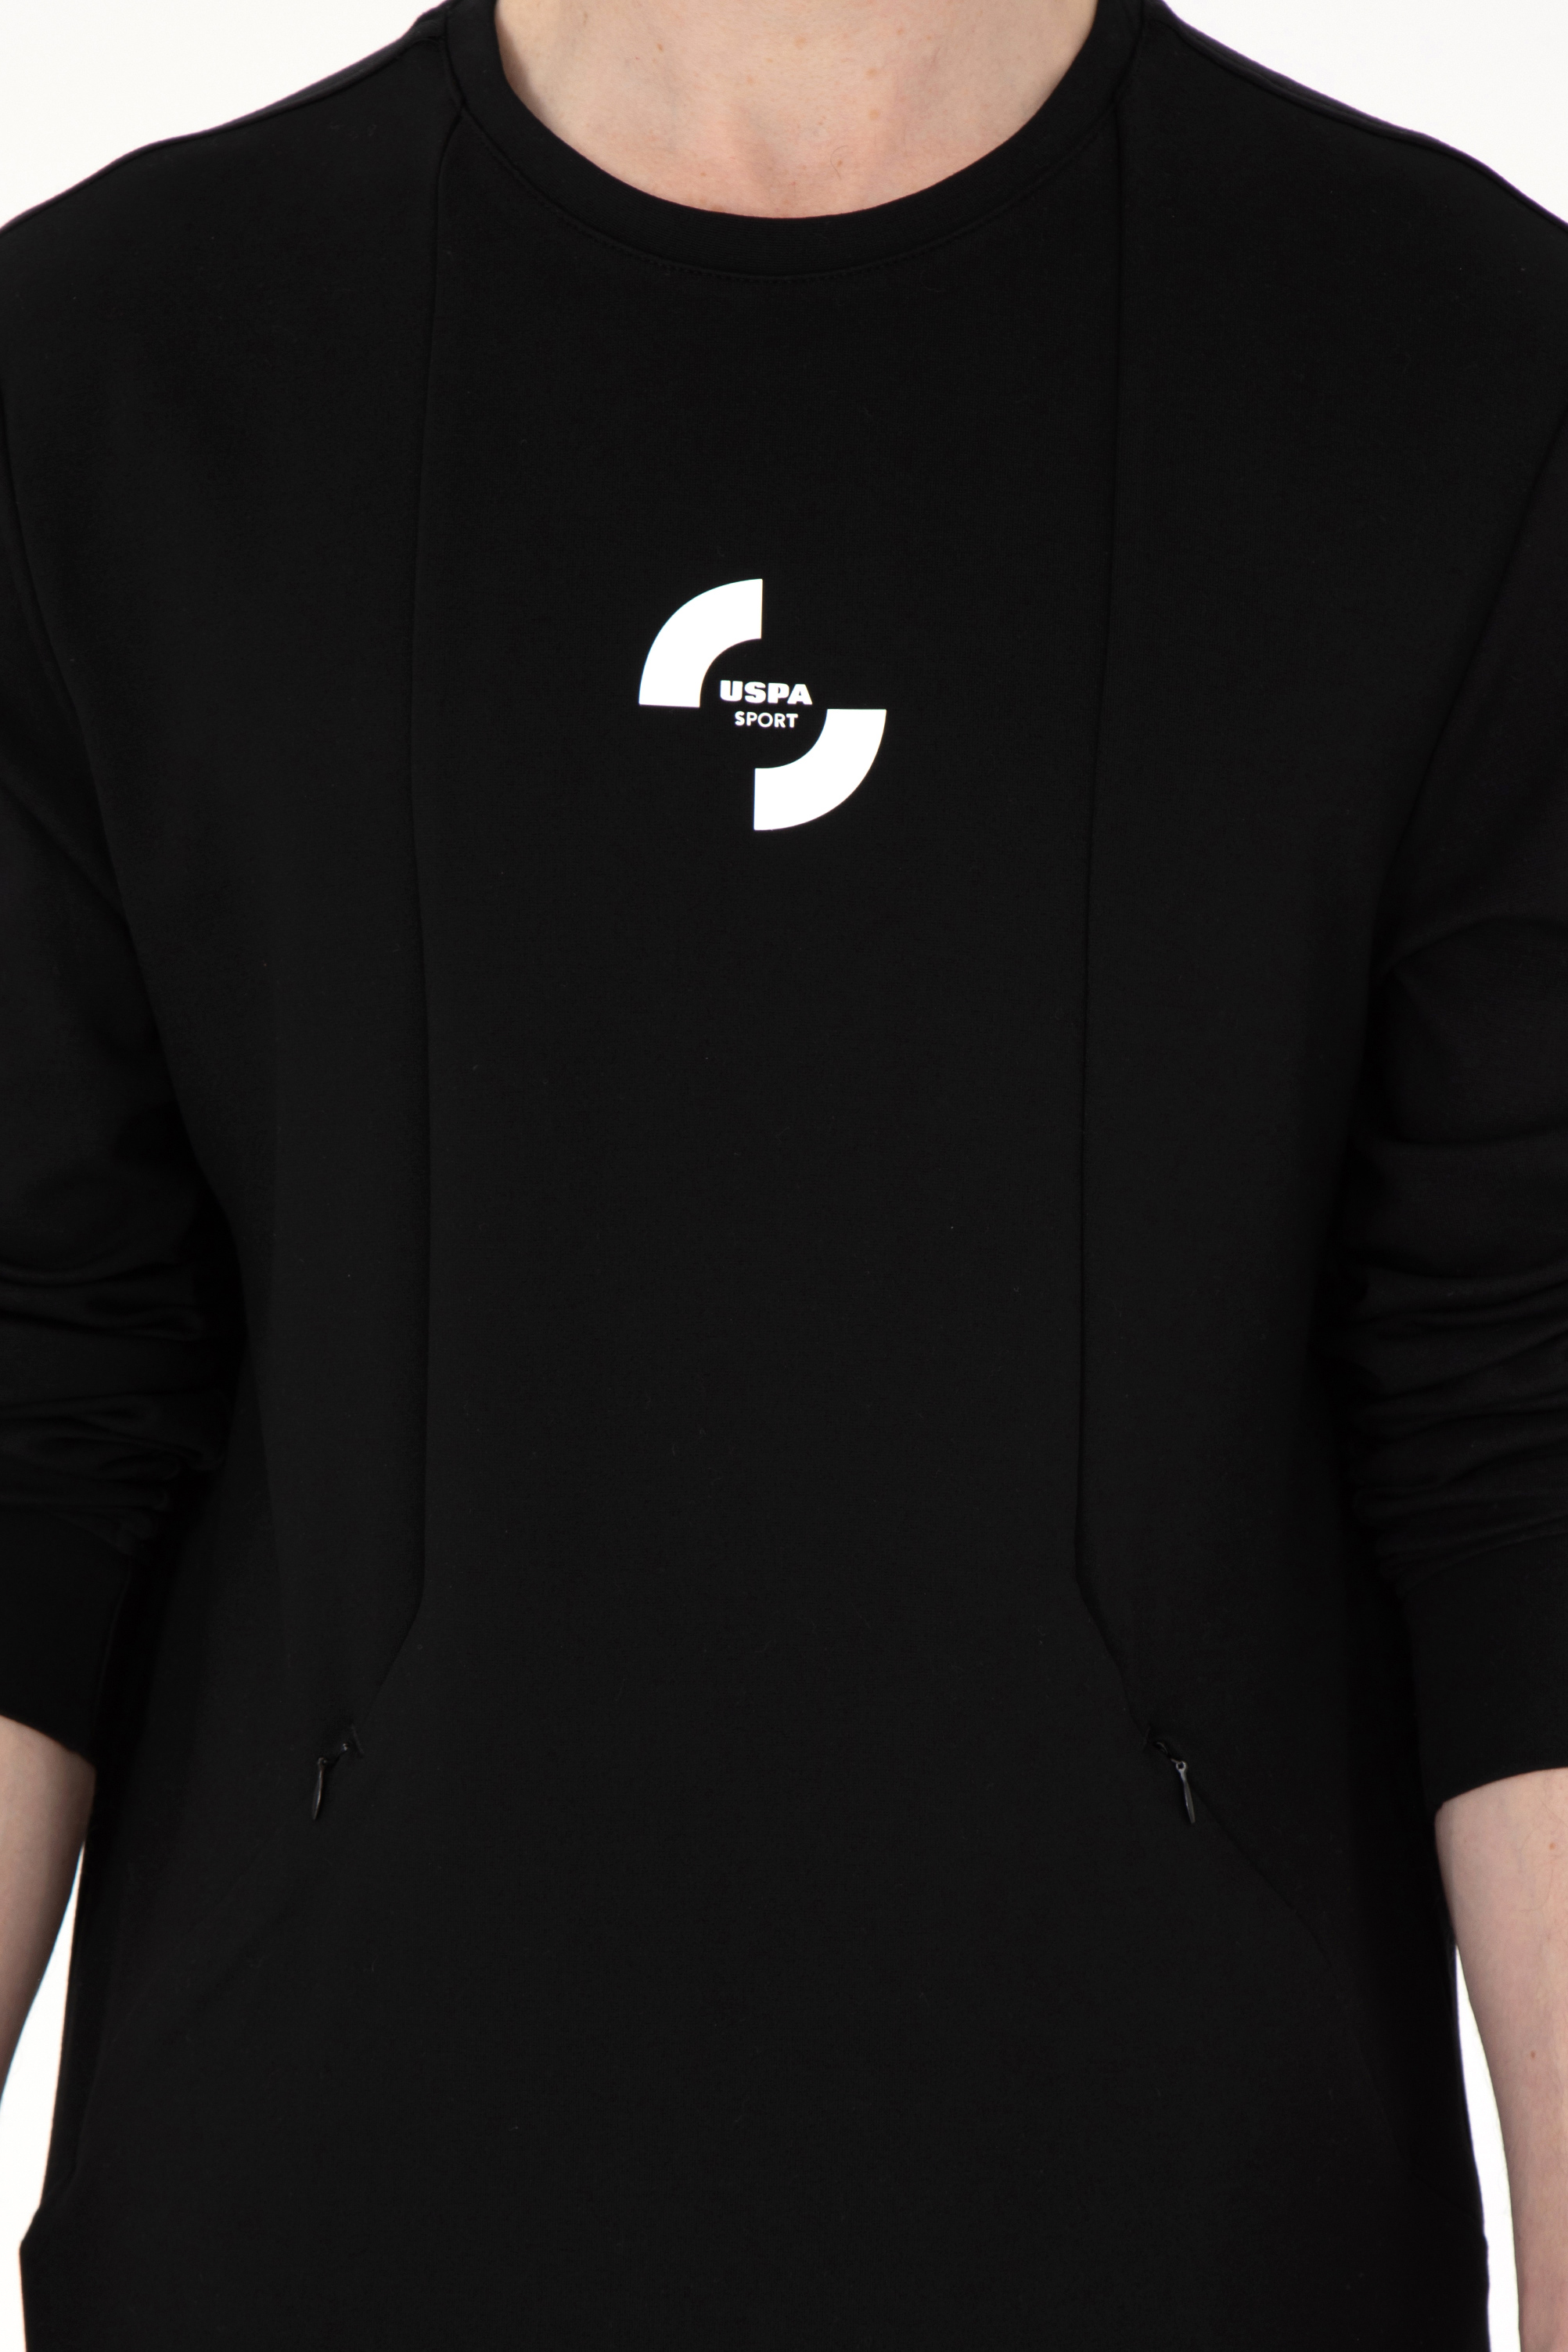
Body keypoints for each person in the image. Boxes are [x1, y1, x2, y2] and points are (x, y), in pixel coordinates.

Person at [2, 0, 1567, 2341]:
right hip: (306, 2243)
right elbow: (36, 1382)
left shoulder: (1454, 366)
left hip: (1192, 2243)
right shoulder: (110, 372)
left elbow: (1520, 1414)